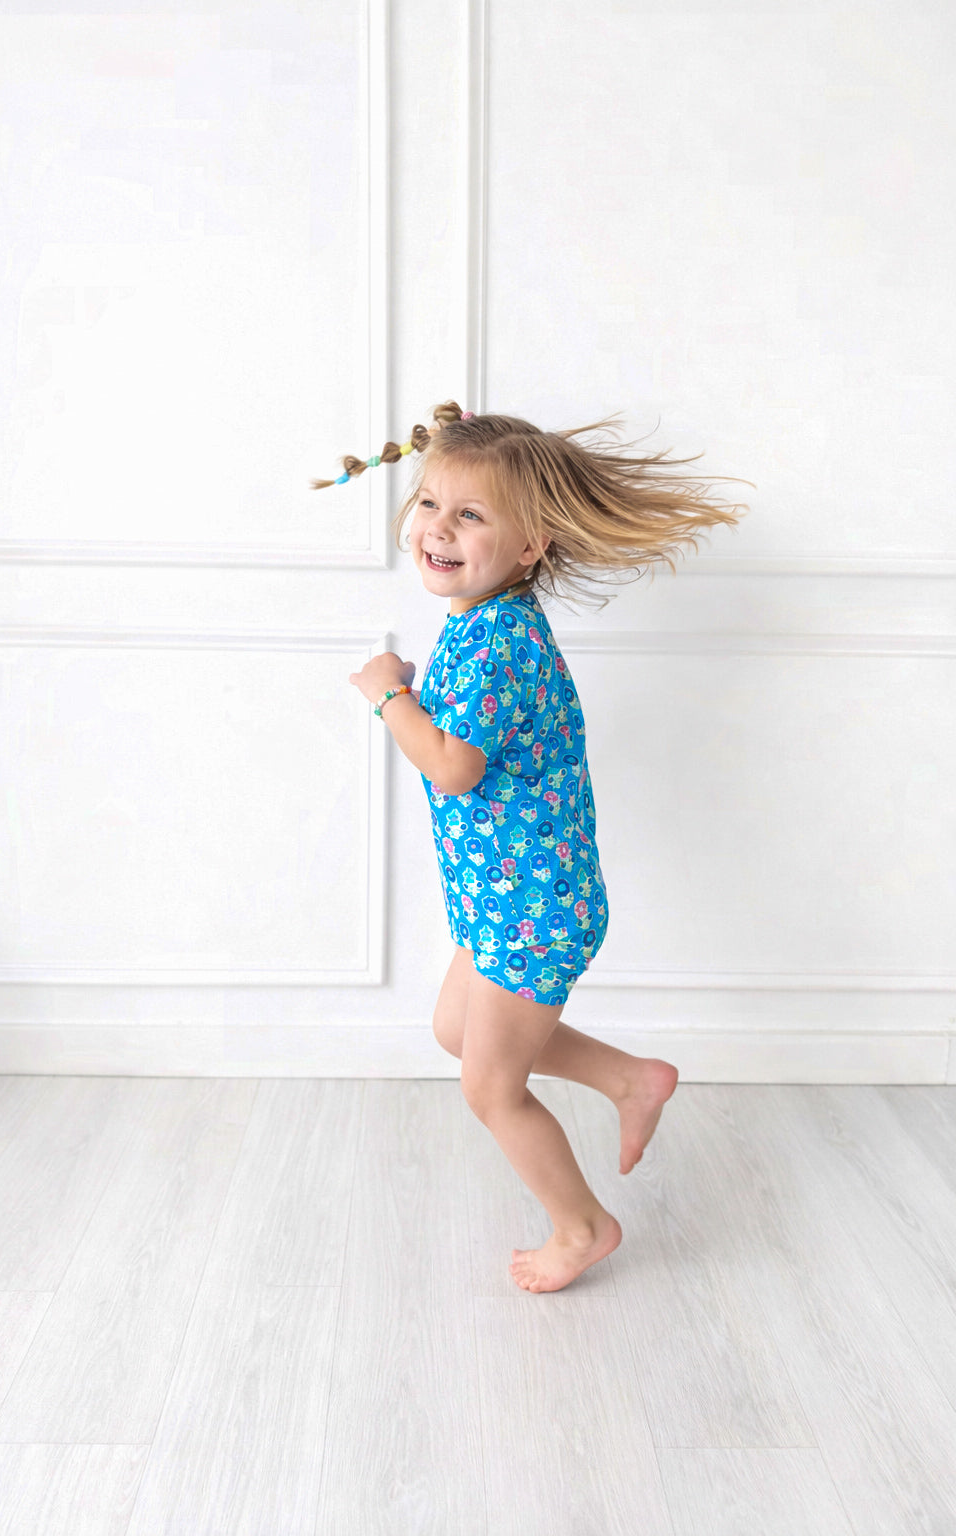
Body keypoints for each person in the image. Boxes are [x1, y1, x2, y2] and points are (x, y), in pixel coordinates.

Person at [314, 399, 750, 1293]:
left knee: (490, 1089)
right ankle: (630, 1078)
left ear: (530, 546)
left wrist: (387, 693)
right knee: (453, 1030)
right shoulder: (483, 621)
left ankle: (582, 1226)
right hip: (507, 896)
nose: (437, 528)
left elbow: (455, 768)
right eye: (431, 503)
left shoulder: (494, 644)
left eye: (469, 514)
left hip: (531, 910)